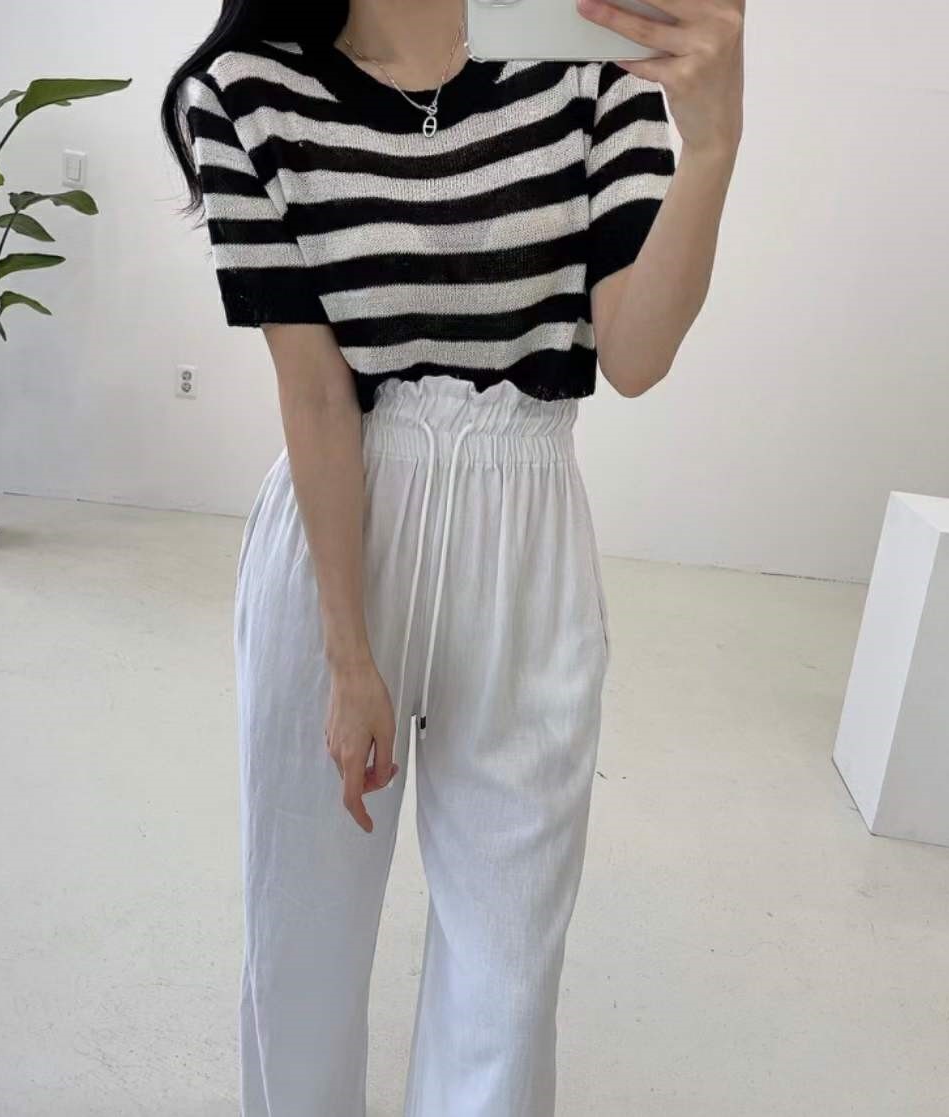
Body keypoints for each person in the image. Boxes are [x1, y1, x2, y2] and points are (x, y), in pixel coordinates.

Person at [160, 0, 743, 1112]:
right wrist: (348, 656)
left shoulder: (584, 65)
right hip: (342, 532)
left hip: (526, 527)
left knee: (507, 973)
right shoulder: (248, 90)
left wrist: (712, 146)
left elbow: (633, 356)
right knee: (302, 943)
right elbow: (315, 392)